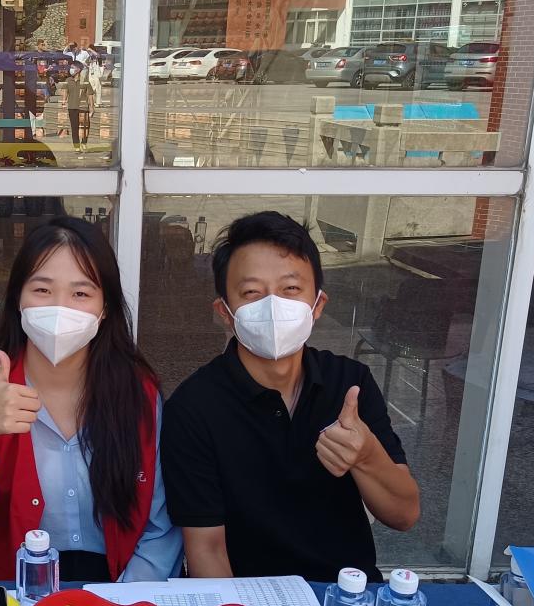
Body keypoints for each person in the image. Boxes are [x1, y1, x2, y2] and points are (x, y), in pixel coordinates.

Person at [161, 211, 420, 582]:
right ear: (225, 312)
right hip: (247, 600)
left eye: (291, 289)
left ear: (318, 305)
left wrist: (366, 456)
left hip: (345, 596)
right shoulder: (193, 408)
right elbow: (206, 549)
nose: (273, 305)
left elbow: (404, 515)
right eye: (252, 293)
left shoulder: (350, 383)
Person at [0, 215, 183, 583]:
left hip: (118, 591)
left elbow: (159, 530)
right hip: (15, 593)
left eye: (81, 294)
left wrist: (119, 604)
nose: (60, 308)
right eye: (42, 290)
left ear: (105, 308)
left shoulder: (138, 397)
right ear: (18, 299)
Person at [64, 62, 95, 153]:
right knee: (74, 127)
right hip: (72, 107)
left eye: (73, 67)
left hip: (83, 107)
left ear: (78, 70)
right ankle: (76, 146)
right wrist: (63, 102)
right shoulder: (68, 80)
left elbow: (90, 95)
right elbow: (65, 91)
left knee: (85, 127)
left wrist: (92, 107)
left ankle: (84, 143)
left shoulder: (85, 81)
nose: (71, 69)